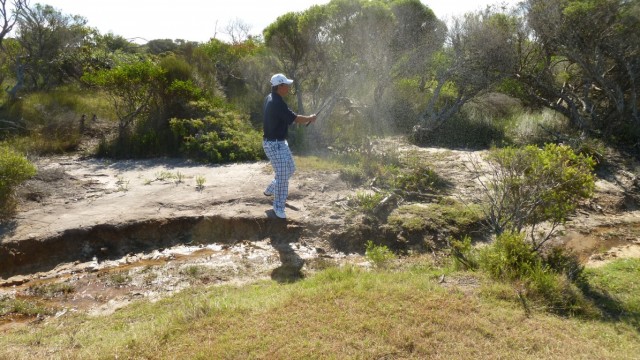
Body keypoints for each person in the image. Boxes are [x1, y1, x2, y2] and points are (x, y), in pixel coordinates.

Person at [263, 73, 317, 219]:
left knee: (290, 169)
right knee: (282, 176)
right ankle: (278, 207)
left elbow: (289, 118)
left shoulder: (272, 98)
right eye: (286, 84)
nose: (288, 87)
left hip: (280, 142)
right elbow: (295, 118)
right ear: (280, 86)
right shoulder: (276, 102)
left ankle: (270, 189)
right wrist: (310, 119)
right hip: (274, 145)